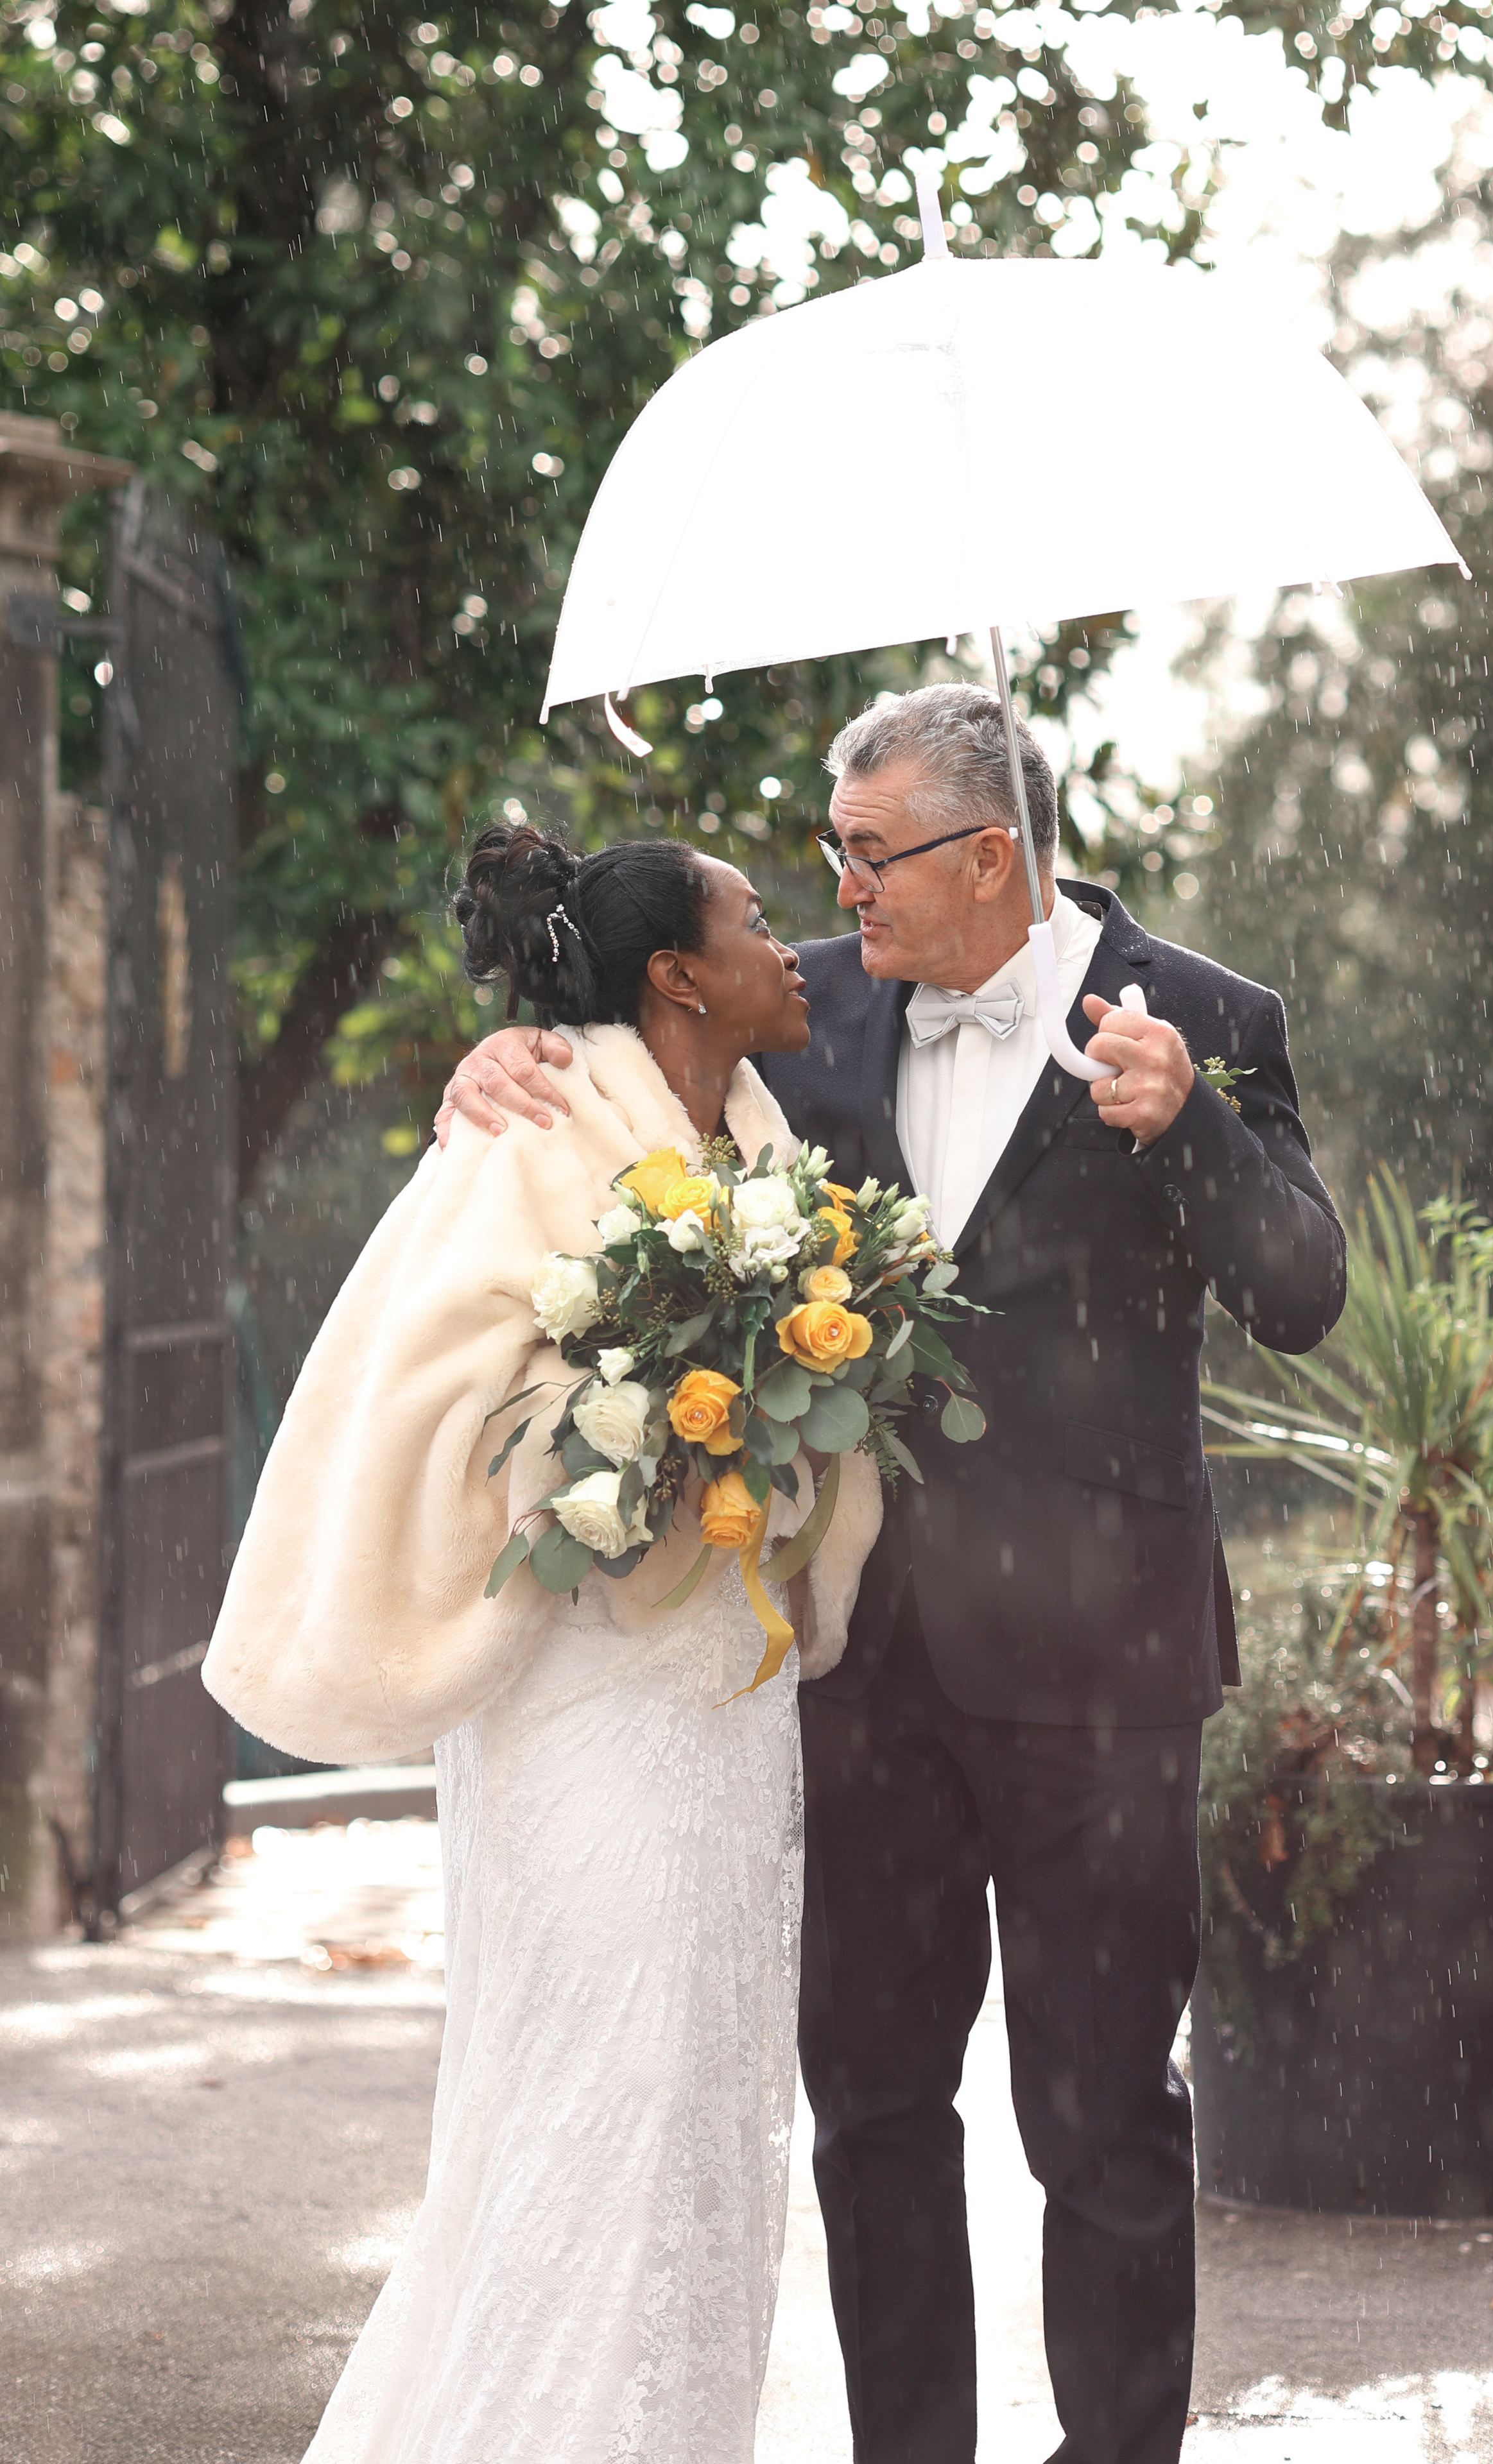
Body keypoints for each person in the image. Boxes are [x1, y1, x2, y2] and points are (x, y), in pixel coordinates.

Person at [438, 685, 1348, 2464]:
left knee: (1097, 2125)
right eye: (833, 851)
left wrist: (1198, 1132)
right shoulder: (811, 1017)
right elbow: (620, 1081)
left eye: (872, 854)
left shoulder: (1208, 1020)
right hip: (862, 1664)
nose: (837, 887)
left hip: (1108, 1670)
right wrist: (499, 1058)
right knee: (869, 2112)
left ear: (990, 851)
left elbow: (1303, 1293)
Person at [203, 827, 883, 2464]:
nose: (796, 943)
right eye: (753, 919)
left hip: (725, 1691)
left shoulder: (765, 1118)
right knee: (597, 2085)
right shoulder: (527, 1118)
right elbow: (432, 1385)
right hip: (582, 1690)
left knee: (714, 2099)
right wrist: (625, 1429)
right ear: (673, 974)